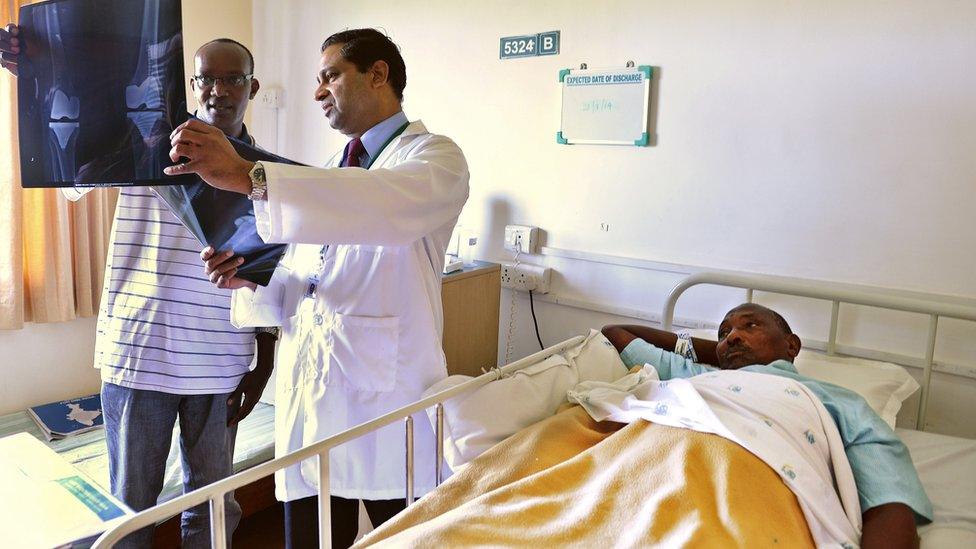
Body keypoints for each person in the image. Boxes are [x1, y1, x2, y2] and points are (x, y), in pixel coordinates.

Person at [165, 28, 470, 548]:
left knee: (405, 536)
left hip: (383, 401)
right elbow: (306, 276)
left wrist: (249, 176)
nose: (317, 92)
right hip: (312, 399)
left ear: (378, 75)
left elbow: (383, 206)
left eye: (330, 76)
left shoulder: (434, 158)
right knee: (305, 537)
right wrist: (253, 279)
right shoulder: (328, 172)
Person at [1, 30, 274, 548]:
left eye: (232, 78)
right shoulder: (145, 145)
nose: (219, 89)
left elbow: (273, 274)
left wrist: (262, 359)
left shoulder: (267, 176)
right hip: (140, 353)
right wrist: (35, 79)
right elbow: (71, 165)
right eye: (207, 78)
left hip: (219, 360)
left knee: (214, 509)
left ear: (252, 86)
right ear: (192, 85)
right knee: (130, 510)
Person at [602, 303, 933, 549]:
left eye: (750, 326)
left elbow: (888, 500)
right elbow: (616, 333)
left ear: (791, 346)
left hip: (748, 493)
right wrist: (722, 355)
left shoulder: (837, 401)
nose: (732, 336)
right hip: (654, 471)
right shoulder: (701, 377)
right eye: (724, 333)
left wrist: (737, 353)